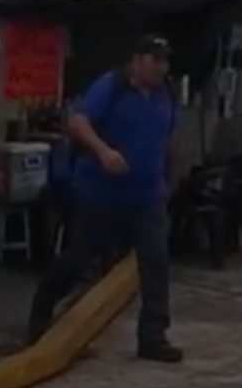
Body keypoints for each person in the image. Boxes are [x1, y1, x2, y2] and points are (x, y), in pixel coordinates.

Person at [27, 36, 182, 363]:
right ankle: (40, 312)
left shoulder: (166, 93)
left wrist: (167, 180)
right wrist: (104, 151)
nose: (161, 67)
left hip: (146, 195)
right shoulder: (112, 85)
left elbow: (167, 138)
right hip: (103, 193)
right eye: (155, 60)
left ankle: (153, 337)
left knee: (155, 260)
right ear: (138, 60)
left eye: (165, 61)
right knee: (81, 257)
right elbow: (78, 122)